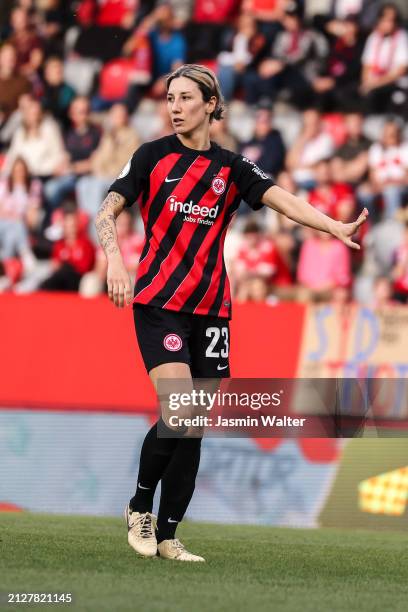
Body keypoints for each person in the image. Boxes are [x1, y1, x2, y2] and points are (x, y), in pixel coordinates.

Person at [94, 63, 368, 562]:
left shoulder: (231, 168)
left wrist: (330, 225)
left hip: (213, 310)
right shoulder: (152, 156)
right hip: (159, 301)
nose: (174, 107)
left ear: (210, 105)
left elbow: (282, 200)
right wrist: (114, 255)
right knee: (178, 409)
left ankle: (170, 534)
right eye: (170, 98)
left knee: (194, 421)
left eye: (184, 98)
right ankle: (139, 507)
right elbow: (107, 208)